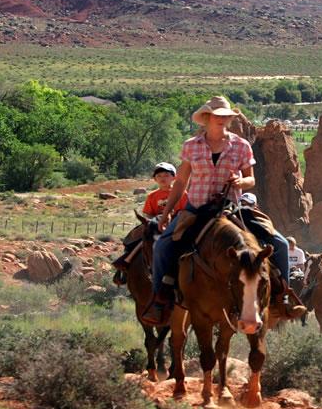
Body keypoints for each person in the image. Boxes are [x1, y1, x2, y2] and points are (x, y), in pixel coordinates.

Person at [142, 96, 304, 325]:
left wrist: (240, 180)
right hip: (197, 208)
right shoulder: (191, 146)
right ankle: (160, 300)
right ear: (206, 118)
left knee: (279, 243)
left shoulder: (241, 145)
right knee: (163, 246)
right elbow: (180, 182)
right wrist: (168, 211)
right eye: (218, 116)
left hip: (231, 208)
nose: (222, 120)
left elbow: (251, 179)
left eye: (226, 116)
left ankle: (282, 297)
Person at [111, 162, 187, 282]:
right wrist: (155, 221)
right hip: (156, 223)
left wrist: (171, 218)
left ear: (174, 177)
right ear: (155, 179)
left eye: (166, 175)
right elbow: (148, 213)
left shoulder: (181, 194)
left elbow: (184, 211)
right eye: (159, 176)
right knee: (137, 238)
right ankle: (125, 263)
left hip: (176, 222)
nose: (163, 178)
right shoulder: (152, 196)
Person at [237, 192, 306, 317]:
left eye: (248, 204)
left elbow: (265, 230)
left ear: (255, 205)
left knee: (283, 244)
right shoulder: (236, 213)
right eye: (243, 204)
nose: (244, 206)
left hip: (259, 239)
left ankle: (284, 296)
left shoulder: (258, 217)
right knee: (283, 244)